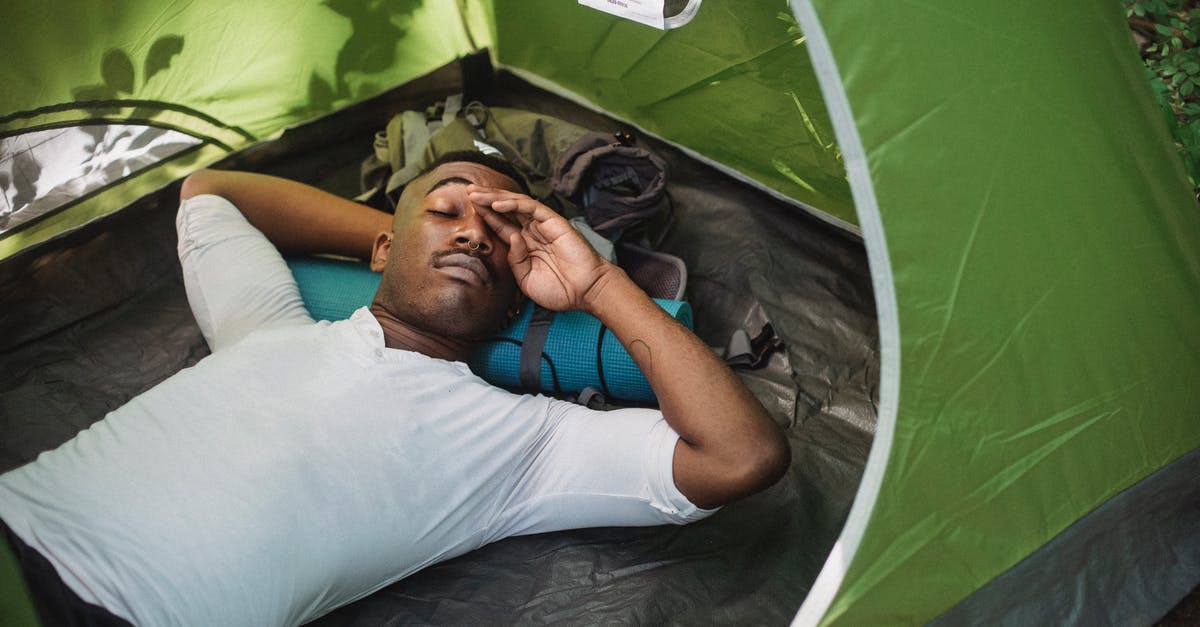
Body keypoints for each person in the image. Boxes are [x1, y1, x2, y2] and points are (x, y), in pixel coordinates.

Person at [0, 151, 789, 626]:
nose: (474, 230)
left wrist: (598, 283)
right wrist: (389, 230)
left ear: (519, 289)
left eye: (501, 228)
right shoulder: (266, 325)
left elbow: (740, 453)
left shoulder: (525, 445)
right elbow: (209, 192)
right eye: (445, 210)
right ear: (384, 246)